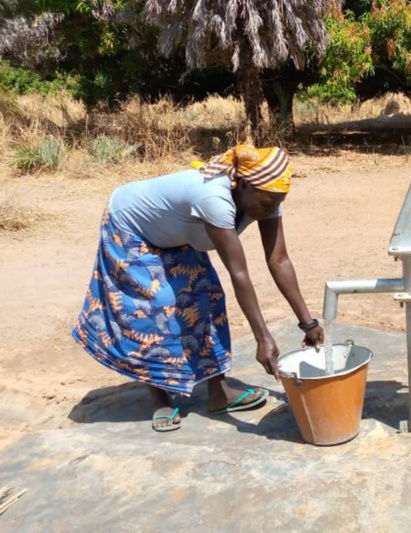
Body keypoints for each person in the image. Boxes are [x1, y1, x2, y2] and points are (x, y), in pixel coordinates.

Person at [72, 144, 323, 432]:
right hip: (131, 226)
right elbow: (238, 272)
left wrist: (308, 322)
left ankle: (219, 391)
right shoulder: (213, 197)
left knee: (207, 296)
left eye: (275, 203)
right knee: (158, 305)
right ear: (241, 185)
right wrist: (263, 337)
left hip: (176, 233)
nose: (269, 210)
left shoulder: (268, 195)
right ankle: (160, 397)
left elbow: (278, 260)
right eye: (266, 203)